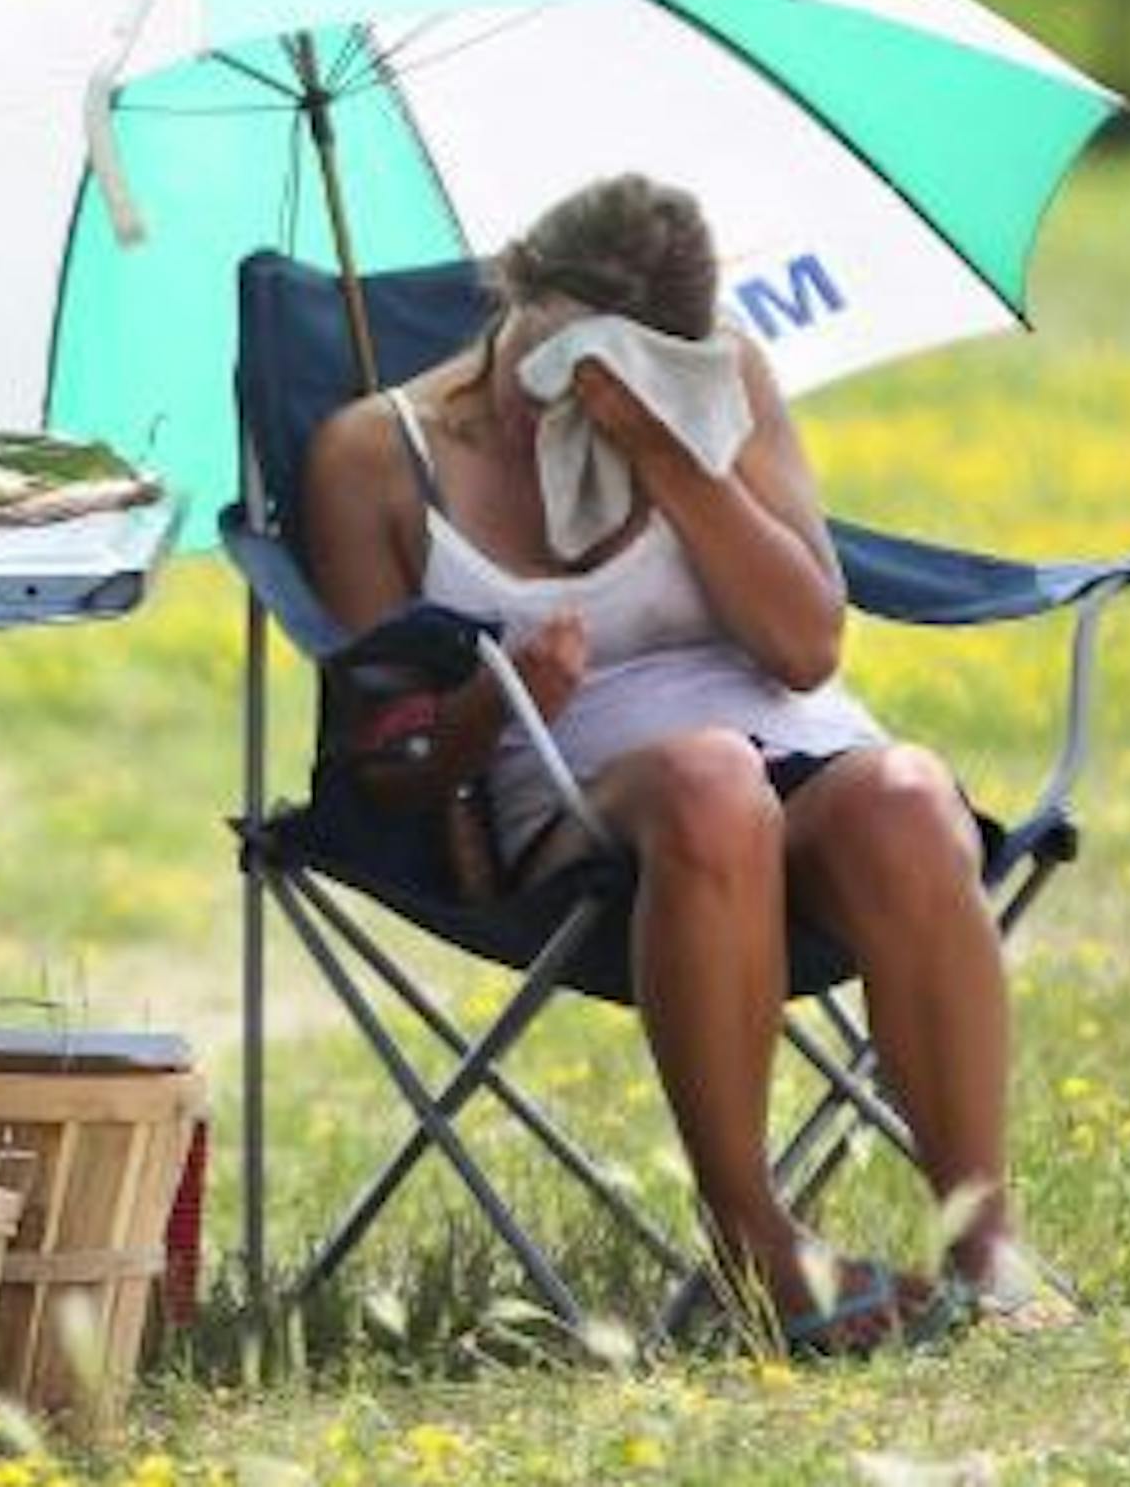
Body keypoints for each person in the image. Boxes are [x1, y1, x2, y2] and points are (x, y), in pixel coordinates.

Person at [302, 173, 1031, 1352]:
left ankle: (984, 1241)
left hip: (798, 749)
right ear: (518, 301)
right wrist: (496, 701)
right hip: (581, 798)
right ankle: (756, 1239)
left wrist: (665, 450)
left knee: (906, 792)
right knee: (710, 779)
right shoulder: (374, 458)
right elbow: (384, 767)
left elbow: (806, 647)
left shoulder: (719, 381)